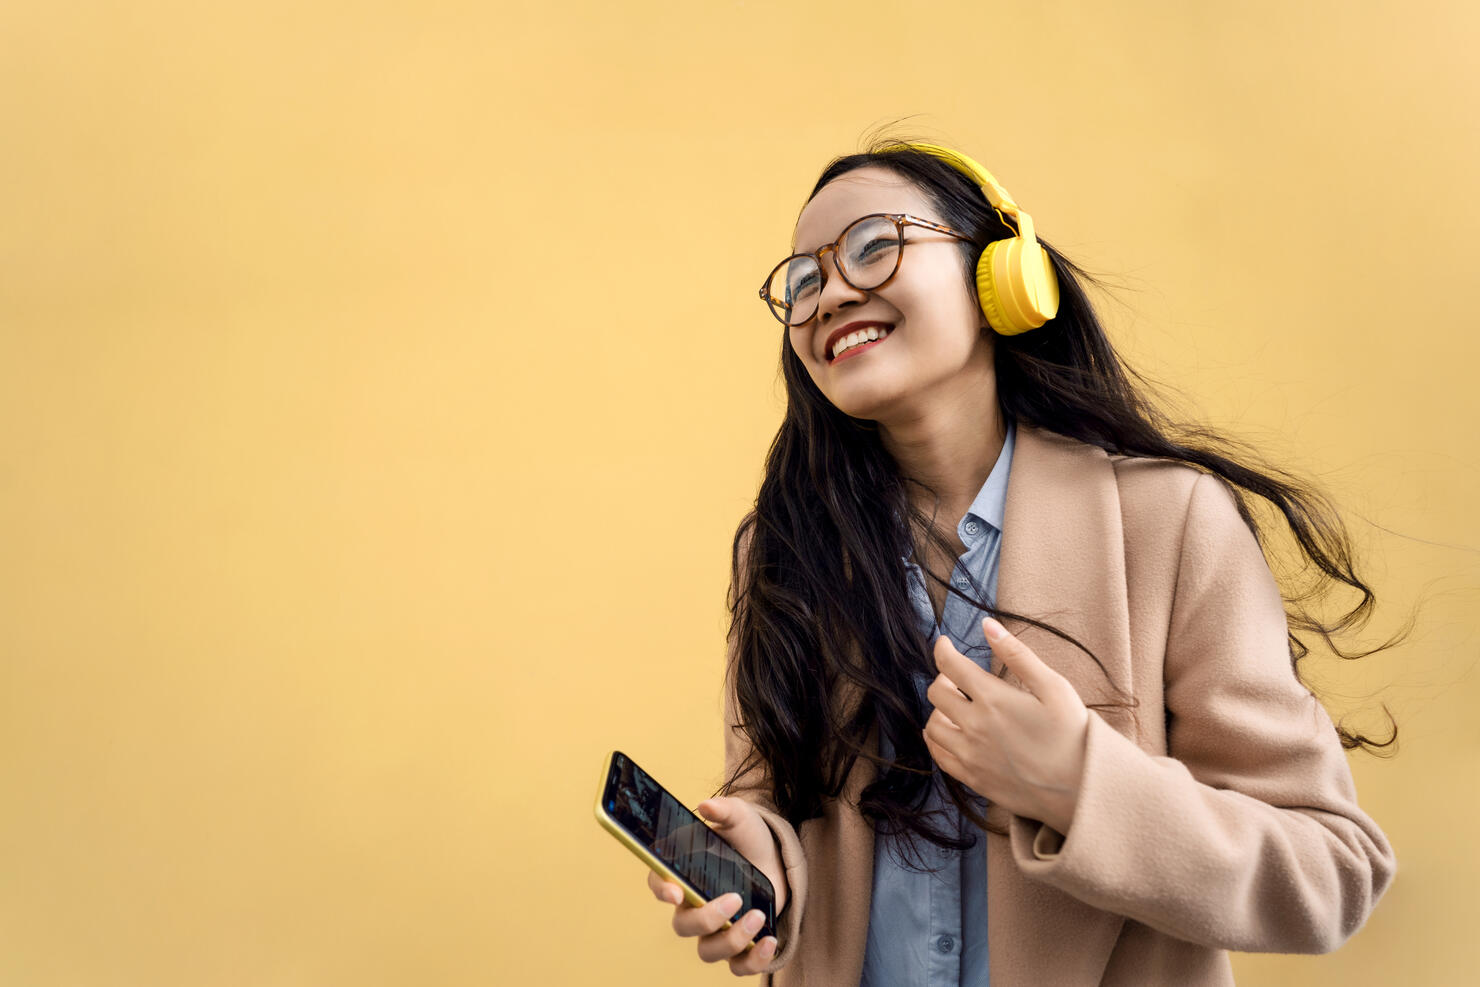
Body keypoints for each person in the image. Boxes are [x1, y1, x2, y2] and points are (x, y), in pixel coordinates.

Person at [644, 138, 1398, 986]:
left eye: (872, 246)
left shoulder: (1169, 521)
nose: (832, 294)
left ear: (998, 275)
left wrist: (1078, 784)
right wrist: (761, 858)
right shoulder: (782, 551)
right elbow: (773, 800)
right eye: (804, 281)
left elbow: (1332, 871)